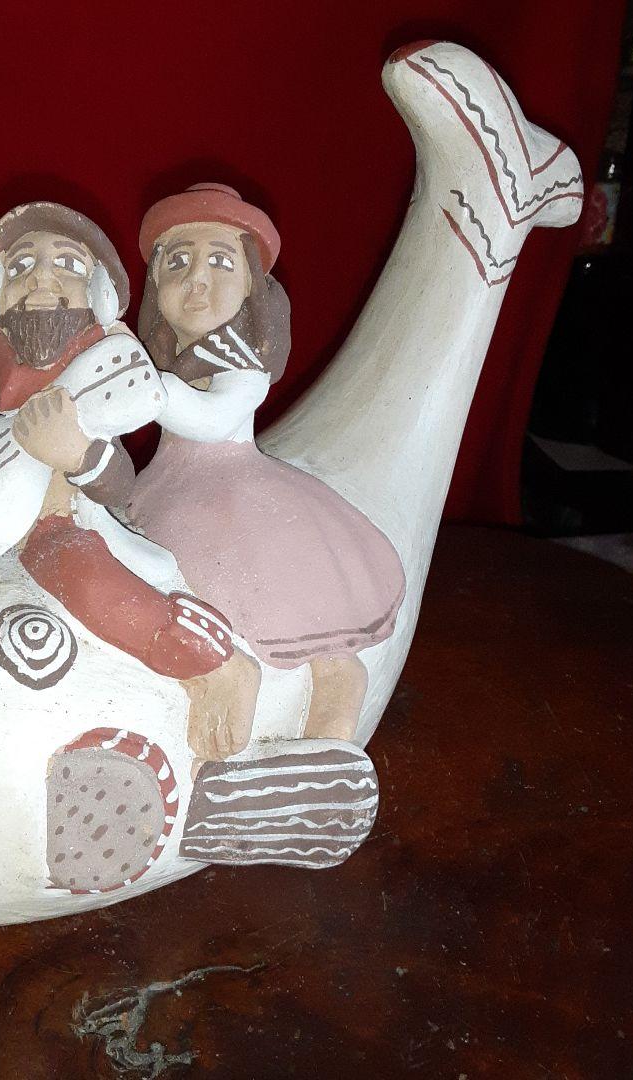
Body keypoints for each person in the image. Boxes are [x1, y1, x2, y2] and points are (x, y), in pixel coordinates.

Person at [0, 202, 260, 758]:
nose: (43, 280)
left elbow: (118, 485)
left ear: (96, 291)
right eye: (22, 266)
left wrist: (76, 453)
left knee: (89, 584)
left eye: (67, 265)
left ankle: (214, 664)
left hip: (53, 520)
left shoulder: (103, 374)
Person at [128, 183, 407, 741]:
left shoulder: (241, 365)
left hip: (233, 492)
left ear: (251, 285)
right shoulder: (161, 362)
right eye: (177, 262)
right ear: (154, 283)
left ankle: (330, 727)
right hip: (167, 487)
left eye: (219, 262)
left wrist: (147, 390)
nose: (197, 279)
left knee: (299, 610)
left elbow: (213, 419)